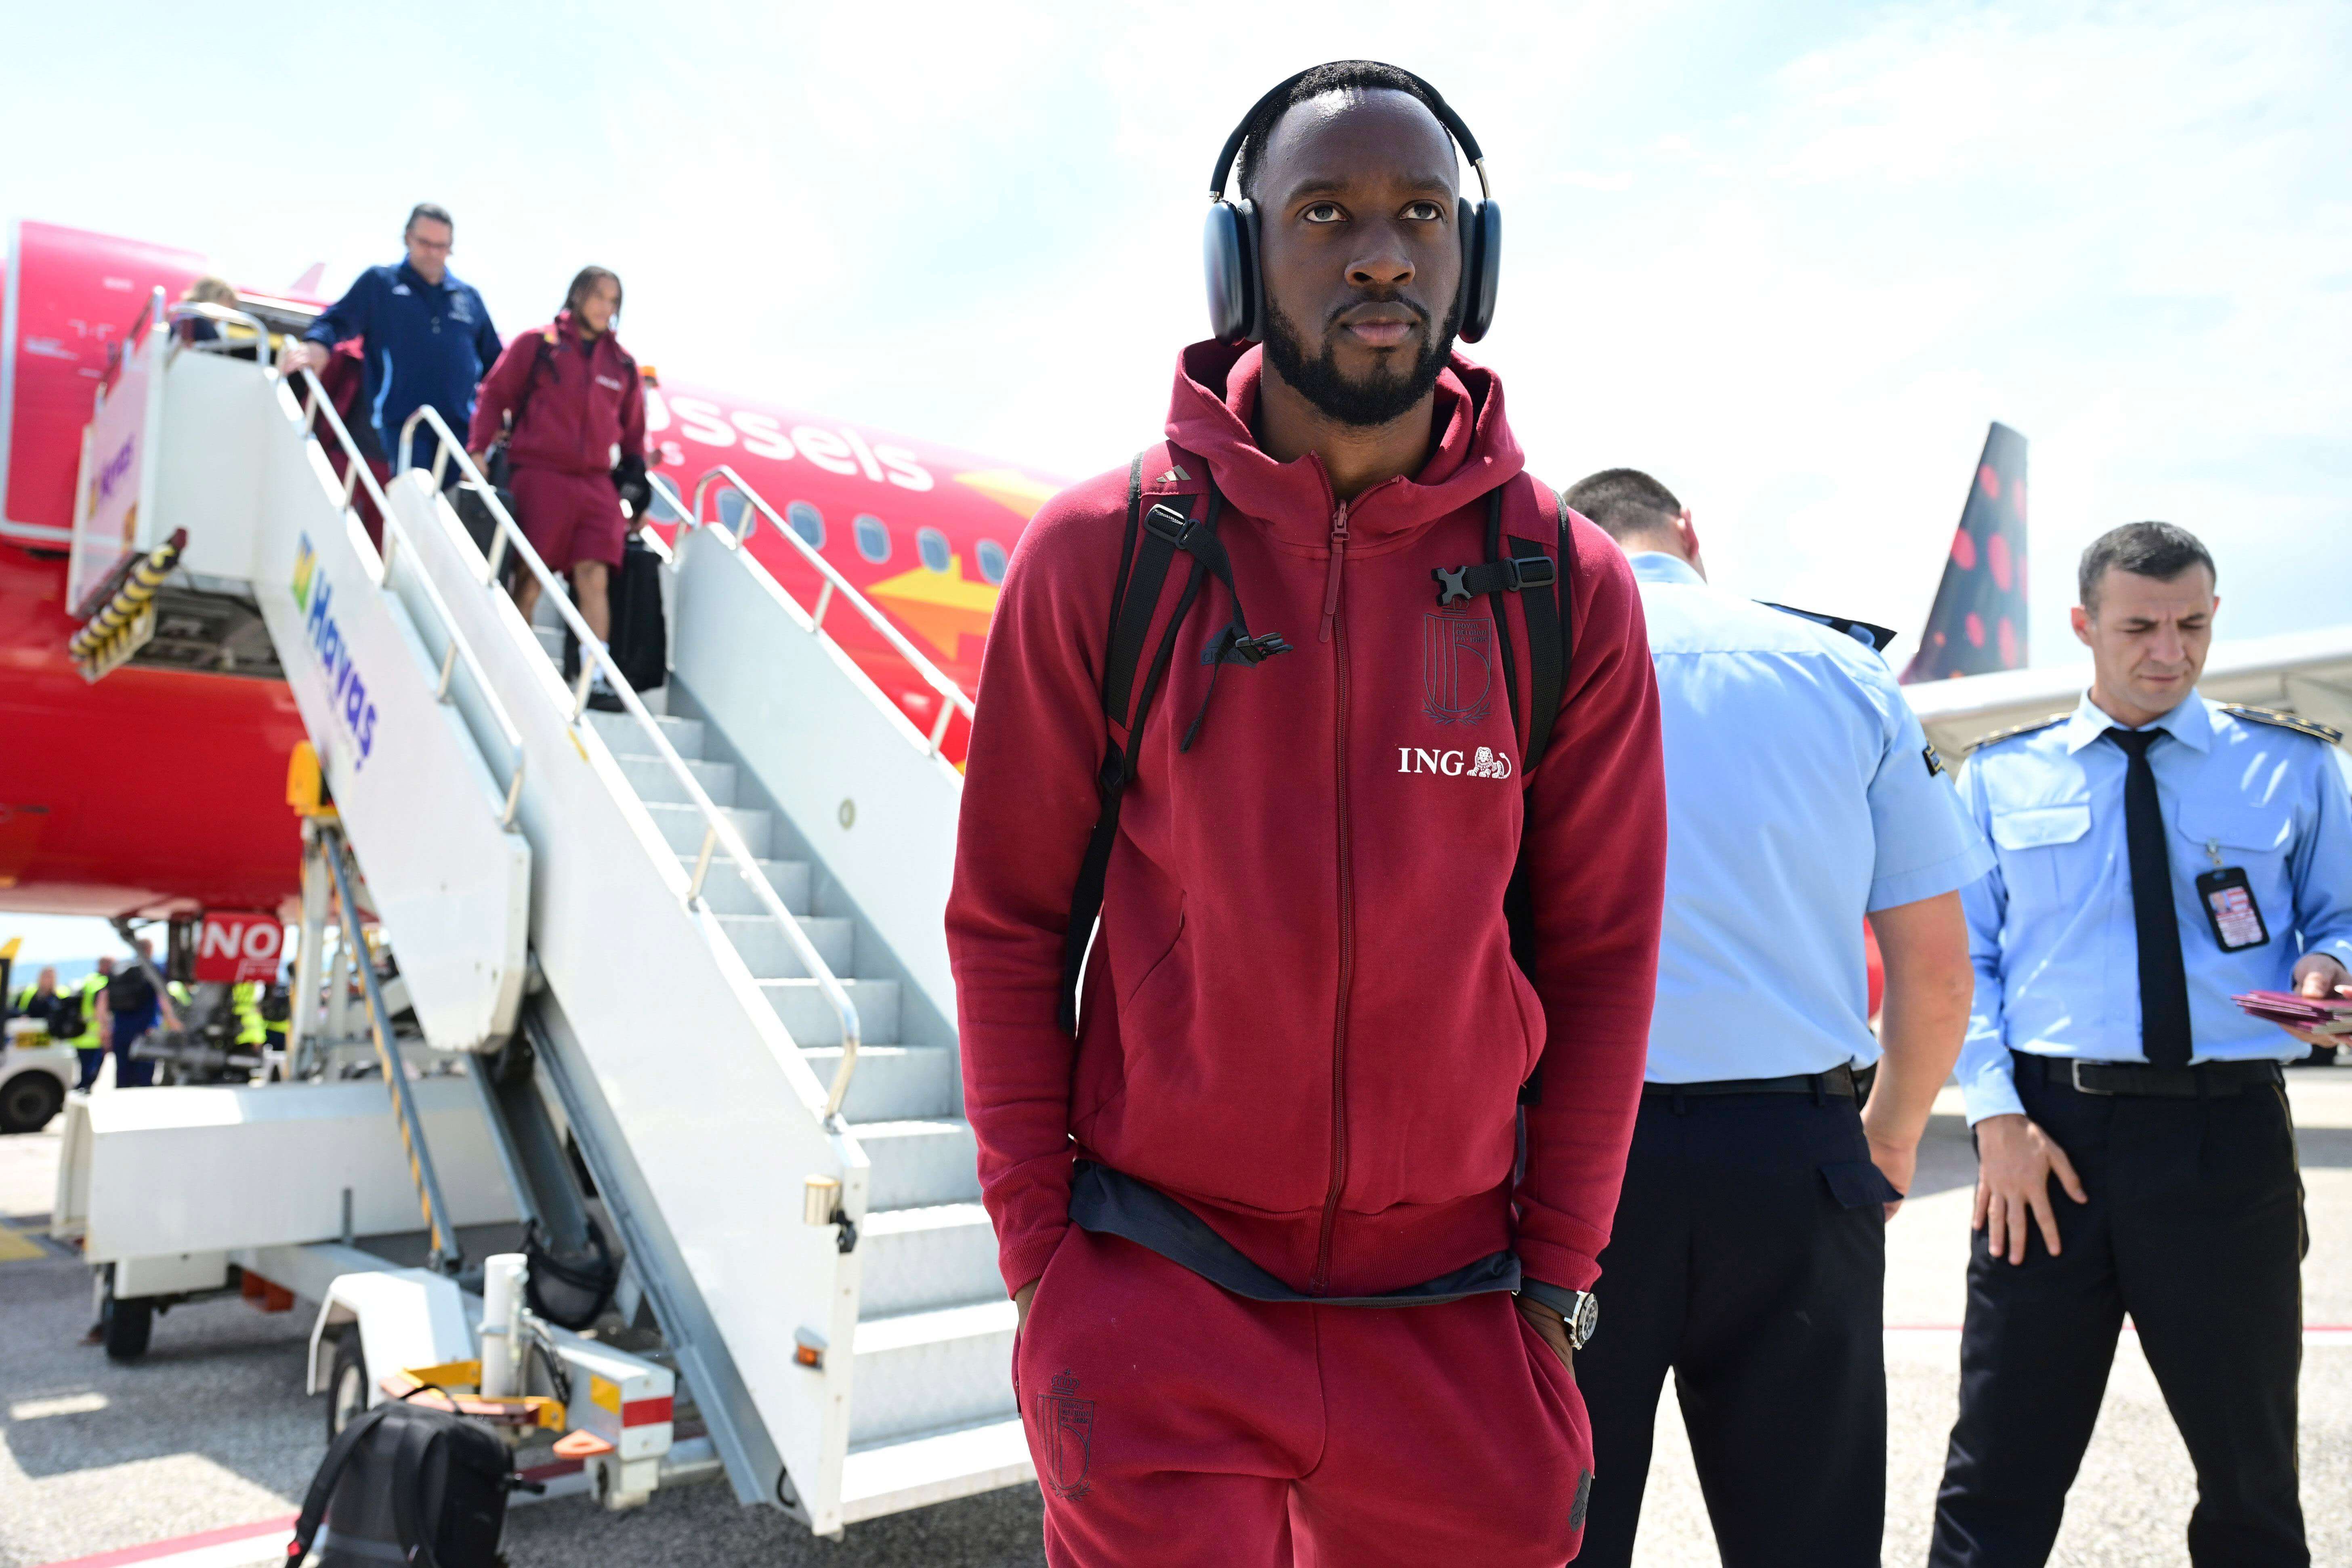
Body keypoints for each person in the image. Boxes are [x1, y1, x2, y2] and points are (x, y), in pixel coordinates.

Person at [945, 62, 1667, 1567]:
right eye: (1325, 213)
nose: (1381, 254)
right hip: (1160, 1295)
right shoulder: (1101, 553)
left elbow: (1601, 955)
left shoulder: (1565, 586)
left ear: (1472, 260)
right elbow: (1010, 926)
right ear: (1240, 262)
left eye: (1418, 215)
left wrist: (1554, 1282)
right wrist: (1045, 1269)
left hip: (1457, 1317)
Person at [1557, 470, 1987, 1567]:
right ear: (1689, 532)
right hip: (1795, 1155)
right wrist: (1886, 1141)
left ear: (1566, 538)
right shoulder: (1841, 670)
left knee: (1550, 1525)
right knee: (1810, 1530)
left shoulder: (1522, 664)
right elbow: (1937, 977)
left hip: (1570, 1161)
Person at [1930, 522, 2350, 1567]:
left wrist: (2329, 973)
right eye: (2140, 627)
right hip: (2047, 1146)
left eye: (2193, 626)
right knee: (2000, 1464)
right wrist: (1996, 1117)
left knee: (2251, 1471)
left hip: (2226, 1140)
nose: (2170, 651)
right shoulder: (1997, 779)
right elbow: (1963, 967)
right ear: (2084, 626)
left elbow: (2340, 918)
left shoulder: (2293, 769)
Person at [466, 266, 647, 712]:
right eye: (599, 297)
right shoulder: (538, 346)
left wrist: (638, 483)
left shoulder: (622, 365)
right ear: (578, 297)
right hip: (540, 473)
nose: (606, 307)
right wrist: (477, 450)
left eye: (614, 300)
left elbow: (634, 436)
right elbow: (494, 394)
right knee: (531, 575)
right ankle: (513, 661)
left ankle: (595, 674)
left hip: (594, 483)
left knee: (595, 574)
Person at [284, 204, 501, 480]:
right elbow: (335, 321)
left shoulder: (469, 297)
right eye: (425, 243)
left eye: (441, 246)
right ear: (408, 237)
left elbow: (497, 364)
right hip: (397, 429)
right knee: (405, 509)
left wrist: (492, 425)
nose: (433, 253)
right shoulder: (380, 283)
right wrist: (318, 344)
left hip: (456, 434)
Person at [94, 940, 178, 1090]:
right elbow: (163, 998)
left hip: (120, 1031)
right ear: (151, 950)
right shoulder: (154, 969)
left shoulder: (119, 968)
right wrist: (174, 1023)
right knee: (144, 1082)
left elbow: (103, 1000)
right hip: (146, 1031)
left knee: (122, 1077)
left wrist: (105, 1028)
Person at [69, 958, 112, 1089]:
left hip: (80, 1035)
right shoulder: (103, 982)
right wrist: (106, 1031)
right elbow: (101, 1009)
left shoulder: (88, 980)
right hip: (96, 1035)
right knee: (91, 1073)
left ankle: (82, 1088)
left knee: (84, 1071)